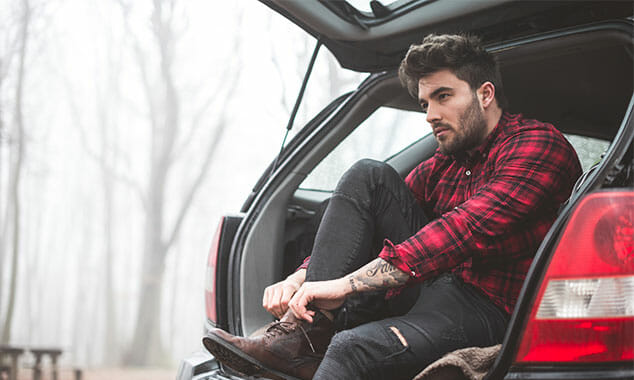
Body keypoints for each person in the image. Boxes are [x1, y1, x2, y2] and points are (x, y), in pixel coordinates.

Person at [203, 34, 582, 380]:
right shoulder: (445, 163)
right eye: (425, 102)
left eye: (444, 96)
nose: (430, 114)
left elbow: (460, 231)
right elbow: (361, 216)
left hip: (491, 308)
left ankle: (309, 346)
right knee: (367, 176)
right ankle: (300, 338)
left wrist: (345, 287)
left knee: (353, 346)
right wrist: (300, 279)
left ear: (485, 94)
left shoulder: (538, 146)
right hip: (436, 288)